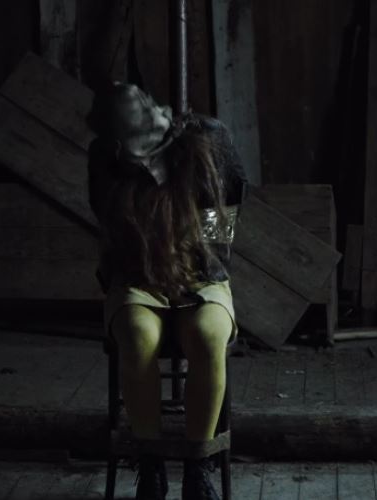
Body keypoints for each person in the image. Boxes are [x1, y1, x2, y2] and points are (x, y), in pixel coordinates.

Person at [87, 82, 248, 500]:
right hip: (138, 276)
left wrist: (208, 253)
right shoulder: (105, 159)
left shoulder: (209, 140)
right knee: (137, 335)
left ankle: (198, 466)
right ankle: (150, 464)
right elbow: (108, 223)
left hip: (201, 272)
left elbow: (229, 199)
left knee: (208, 334)